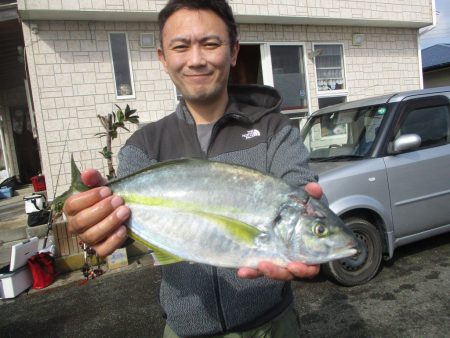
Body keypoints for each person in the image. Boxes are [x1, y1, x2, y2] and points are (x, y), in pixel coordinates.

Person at [64, 0, 322, 336]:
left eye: (211, 44)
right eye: (181, 46)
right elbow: (130, 234)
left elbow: (301, 191)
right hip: (184, 330)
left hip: (273, 325)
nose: (196, 59)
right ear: (163, 59)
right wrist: (98, 222)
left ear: (233, 52)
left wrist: (314, 219)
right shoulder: (144, 145)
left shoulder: (275, 130)